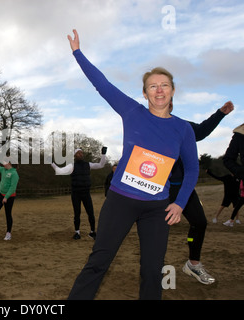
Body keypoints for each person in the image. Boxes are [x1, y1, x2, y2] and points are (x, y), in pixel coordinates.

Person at [66, 29, 199, 300]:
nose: (158, 90)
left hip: (156, 208)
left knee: (152, 270)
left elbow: (193, 169)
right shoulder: (132, 112)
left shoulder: (183, 129)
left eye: (164, 85)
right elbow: (102, 84)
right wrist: (78, 54)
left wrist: (180, 202)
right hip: (121, 201)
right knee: (98, 262)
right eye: (153, 86)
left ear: (172, 91)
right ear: (145, 93)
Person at [168, 101, 233, 285]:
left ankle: (193, 264)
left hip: (183, 187)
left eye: (170, 99)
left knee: (199, 222)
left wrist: (220, 113)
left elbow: (203, 130)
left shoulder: (183, 125)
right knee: (157, 228)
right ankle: (152, 269)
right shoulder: (150, 126)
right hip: (158, 188)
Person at [51, 147, 107, 240]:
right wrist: (51, 162)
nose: (81, 154)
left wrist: (103, 154)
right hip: (76, 193)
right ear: (75, 155)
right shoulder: (71, 166)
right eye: (78, 153)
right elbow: (59, 171)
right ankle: (77, 232)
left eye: (81, 153)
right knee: (77, 213)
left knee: (91, 213)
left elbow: (101, 165)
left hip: (86, 192)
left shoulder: (88, 165)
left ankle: (92, 232)